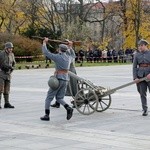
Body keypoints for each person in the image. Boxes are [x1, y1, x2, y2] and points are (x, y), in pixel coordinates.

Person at [40, 37, 74, 121]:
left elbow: (46, 52)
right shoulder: (69, 57)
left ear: (59, 50)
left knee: (49, 97)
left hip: (58, 79)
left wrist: (44, 42)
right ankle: (68, 108)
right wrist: (70, 46)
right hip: (65, 79)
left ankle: (46, 115)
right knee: (59, 98)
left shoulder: (57, 57)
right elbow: (73, 55)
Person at [51, 39, 78, 108]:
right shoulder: (66, 52)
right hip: (66, 72)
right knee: (60, 87)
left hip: (70, 72)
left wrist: (70, 46)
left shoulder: (68, 53)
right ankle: (58, 102)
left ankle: (77, 101)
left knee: (73, 87)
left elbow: (72, 55)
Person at [133, 39, 150, 116]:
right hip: (140, 77)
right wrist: (135, 77)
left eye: (141, 46)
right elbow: (134, 67)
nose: (140, 47)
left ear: (145, 46)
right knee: (142, 93)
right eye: (139, 46)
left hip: (149, 76)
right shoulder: (137, 55)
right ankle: (145, 109)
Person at [0, 42, 16, 109]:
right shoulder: (1, 54)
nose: (11, 49)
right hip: (1, 73)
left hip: (8, 74)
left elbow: (14, 63)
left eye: (11, 48)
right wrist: (9, 67)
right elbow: (2, 63)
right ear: (6, 48)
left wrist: (12, 68)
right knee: (0, 89)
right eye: (9, 48)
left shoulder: (12, 55)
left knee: (7, 89)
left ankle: (6, 103)